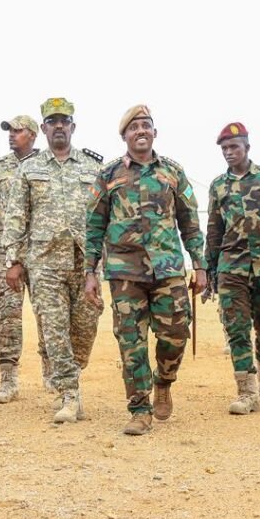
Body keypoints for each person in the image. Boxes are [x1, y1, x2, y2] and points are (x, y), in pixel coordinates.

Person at [86, 104, 206, 436]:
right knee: (131, 342)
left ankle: (164, 380)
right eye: (133, 127)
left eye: (146, 125)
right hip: (124, 272)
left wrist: (200, 265)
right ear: (124, 136)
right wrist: (90, 272)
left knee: (176, 334)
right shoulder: (108, 175)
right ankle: (140, 409)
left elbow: (190, 223)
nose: (140, 131)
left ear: (155, 132)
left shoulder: (173, 172)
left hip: (168, 269)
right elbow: (94, 226)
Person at [1, 97, 104, 423]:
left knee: (84, 331)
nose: (59, 126)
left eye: (64, 121)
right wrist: (13, 260)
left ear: (73, 126)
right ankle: (69, 395)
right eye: (52, 121)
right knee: (55, 331)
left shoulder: (93, 168)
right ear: (44, 128)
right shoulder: (29, 169)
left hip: (85, 264)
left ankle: (72, 374)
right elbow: (16, 216)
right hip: (44, 263)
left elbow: (105, 215)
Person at [204, 122, 260, 414]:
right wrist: (209, 268)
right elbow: (214, 229)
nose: (229, 152)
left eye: (234, 147)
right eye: (224, 148)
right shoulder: (218, 185)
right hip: (231, 265)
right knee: (236, 328)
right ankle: (247, 392)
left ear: (247, 147)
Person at [0, 115, 49, 404]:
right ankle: (8, 380)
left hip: (42, 251)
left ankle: (52, 372)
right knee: (7, 315)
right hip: (5, 251)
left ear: (33, 135)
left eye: (17, 131)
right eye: (9, 131)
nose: (11, 135)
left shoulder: (47, 165)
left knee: (47, 313)